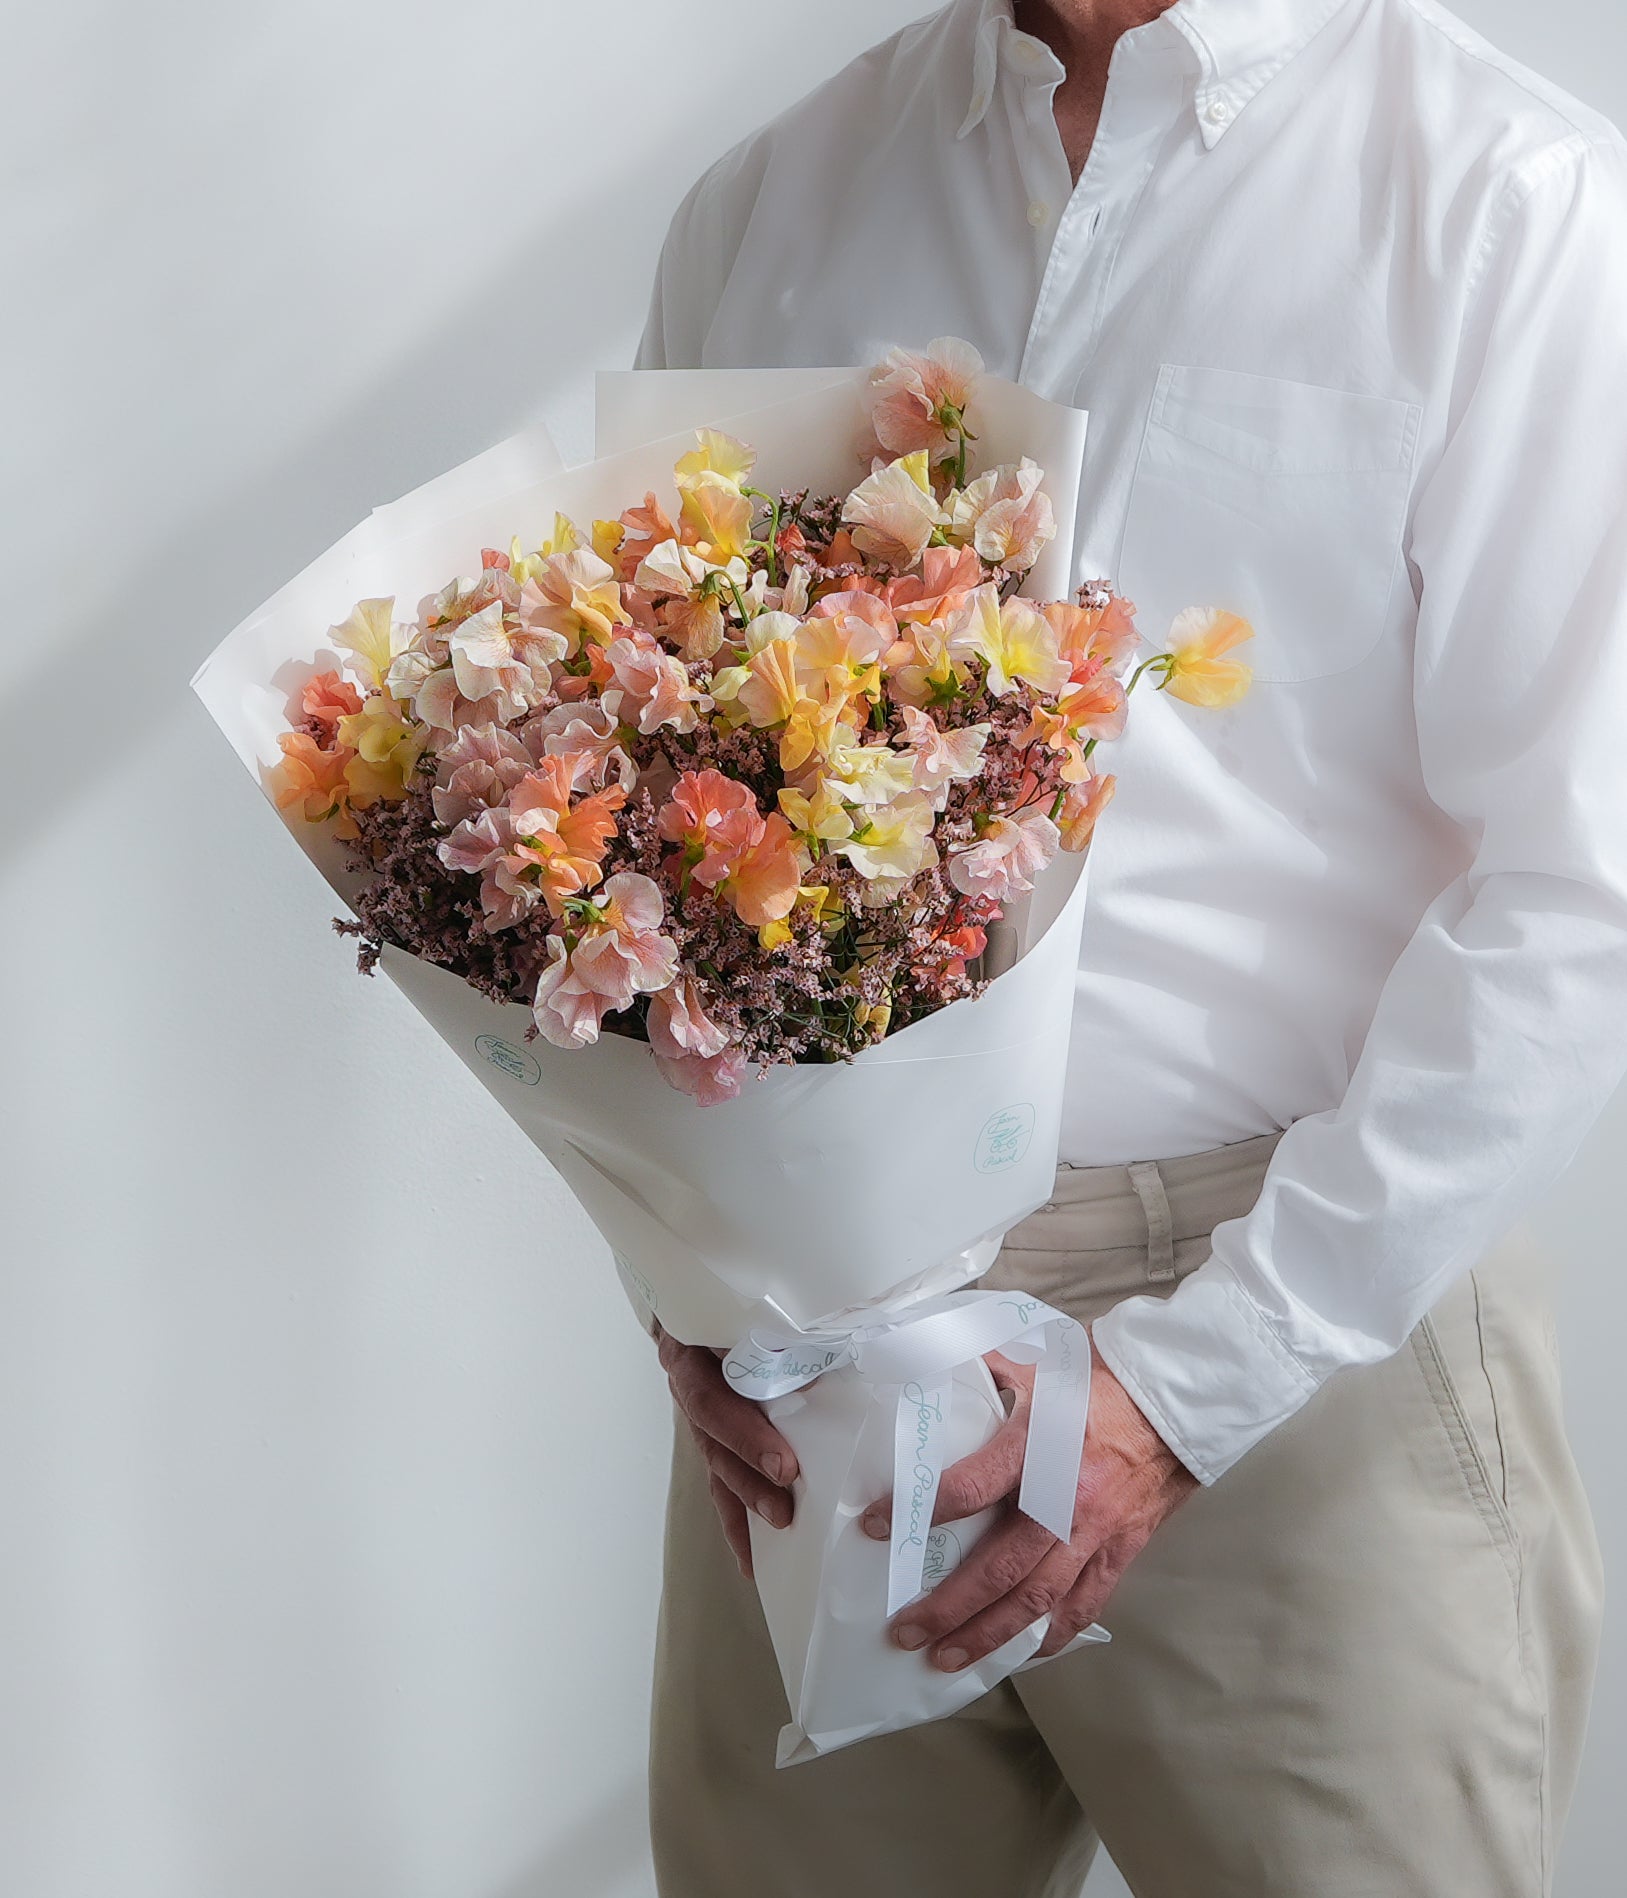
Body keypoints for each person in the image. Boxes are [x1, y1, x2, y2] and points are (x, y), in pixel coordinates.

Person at [637, 2, 1627, 1891]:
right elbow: (660, 773)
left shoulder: (1518, 204)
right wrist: (689, 1274)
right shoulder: (773, 202)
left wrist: (1184, 1395)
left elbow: (1588, 886)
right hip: (817, 1344)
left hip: (1303, 1336)